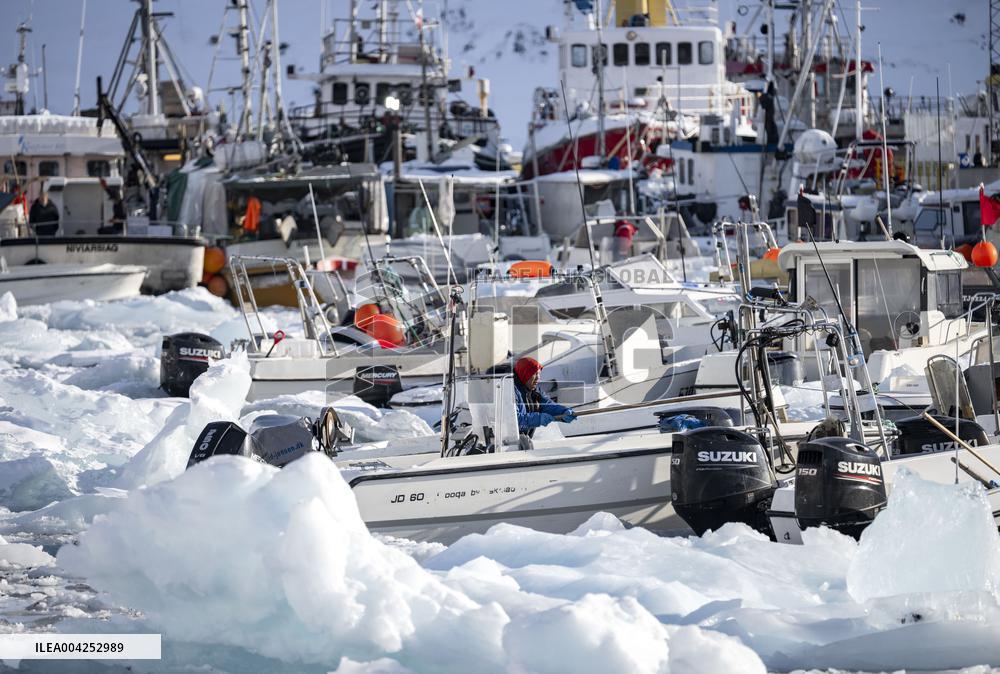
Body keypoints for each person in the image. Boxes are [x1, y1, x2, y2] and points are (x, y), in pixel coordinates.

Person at [513, 357, 576, 438]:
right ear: (525, 373)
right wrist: (538, 419)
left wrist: (564, 412)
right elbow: (514, 421)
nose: (538, 377)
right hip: (509, 443)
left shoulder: (535, 390)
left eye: (539, 374)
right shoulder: (511, 391)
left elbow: (548, 405)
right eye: (535, 374)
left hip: (524, 440)